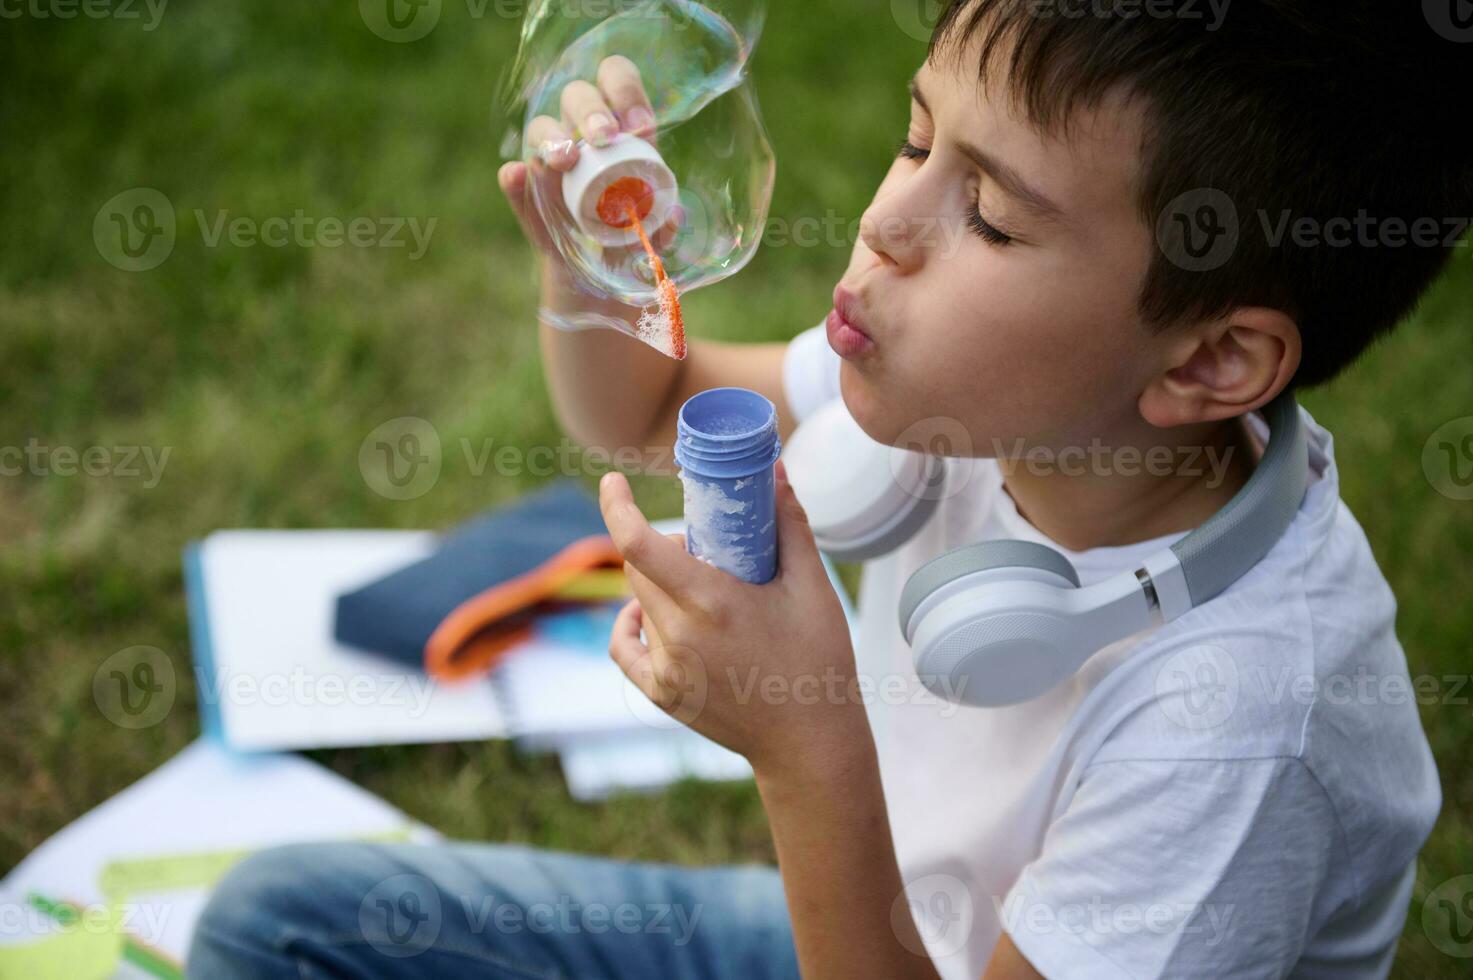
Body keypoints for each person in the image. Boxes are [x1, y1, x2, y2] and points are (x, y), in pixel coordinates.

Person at [190, 2, 1466, 976]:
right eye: (917, 137)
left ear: (1210, 359)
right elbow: (640, 409)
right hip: (881, 923)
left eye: (994, 217)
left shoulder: (1241, 723)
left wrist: (802, 748)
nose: (887, 225)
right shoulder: (975, 392)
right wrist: (601, 265)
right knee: (279, 922)